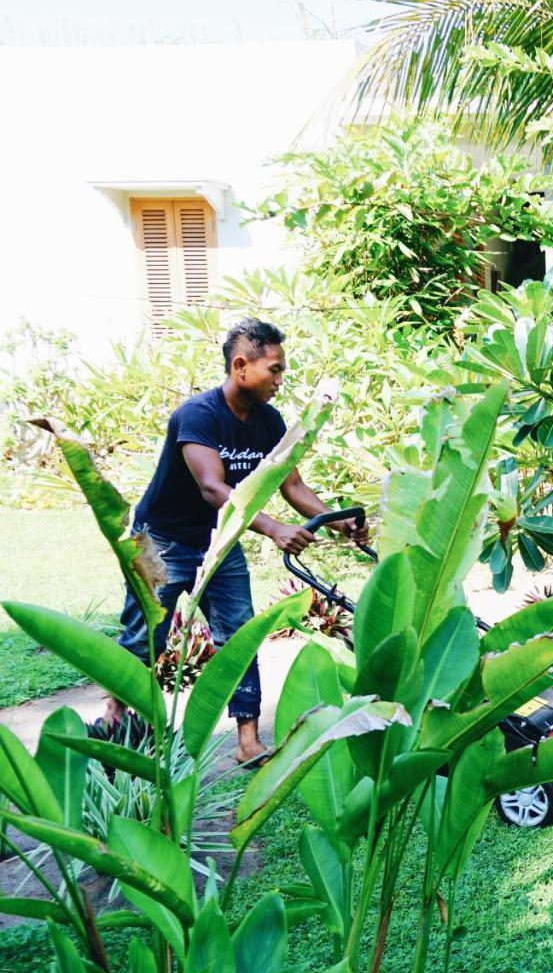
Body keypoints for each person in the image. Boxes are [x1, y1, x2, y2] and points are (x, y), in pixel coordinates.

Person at [97, 317, 366, 764]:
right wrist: (275, 528)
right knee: (148, 635)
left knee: (238, 636)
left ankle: (247, 742)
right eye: (274, 369)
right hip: (162, 542)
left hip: (220, 542)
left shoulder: (267, 421)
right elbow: (212, 488)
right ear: (241, 366)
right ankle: (115, 722)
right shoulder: (198, 415)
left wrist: (337, 522)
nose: (281, 380)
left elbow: (292, 485)